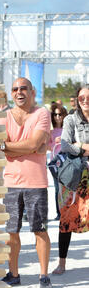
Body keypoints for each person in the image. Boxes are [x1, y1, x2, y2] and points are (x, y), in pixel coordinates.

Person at [0, 77, 53, 288]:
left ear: (32, 92)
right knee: (12, 231)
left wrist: (10, 146)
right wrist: (27, 147)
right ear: (11, 94)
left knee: (39, 230)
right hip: (10, 182)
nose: (19, 92)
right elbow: (0, 146)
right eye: (15, 89)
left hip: (36, 182)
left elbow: (34, 143)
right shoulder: (5, 116)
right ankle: (13, 274)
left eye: (23, 88)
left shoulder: (42, 113)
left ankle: (44, 275)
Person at [52, 85, 89, 275]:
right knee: (66, 219)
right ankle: (62, 263)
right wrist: (82, 148)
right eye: (81, 97)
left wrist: (80, 145)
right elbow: (65, 145)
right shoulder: (70, 119)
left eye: (88, 97)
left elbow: (73, 145)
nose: (85, 100)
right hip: (74, 176)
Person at [48, 103, 68, 220]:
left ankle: (67, 211)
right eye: (55, 114)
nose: (58, 117)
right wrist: (54, 142)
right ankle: (59, 213)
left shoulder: (68, 129)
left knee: (67, 188)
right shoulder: (51, 131)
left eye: (60, 114)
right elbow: (47, 146)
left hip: (67, 162)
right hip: (55, 163)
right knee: (57, 188)